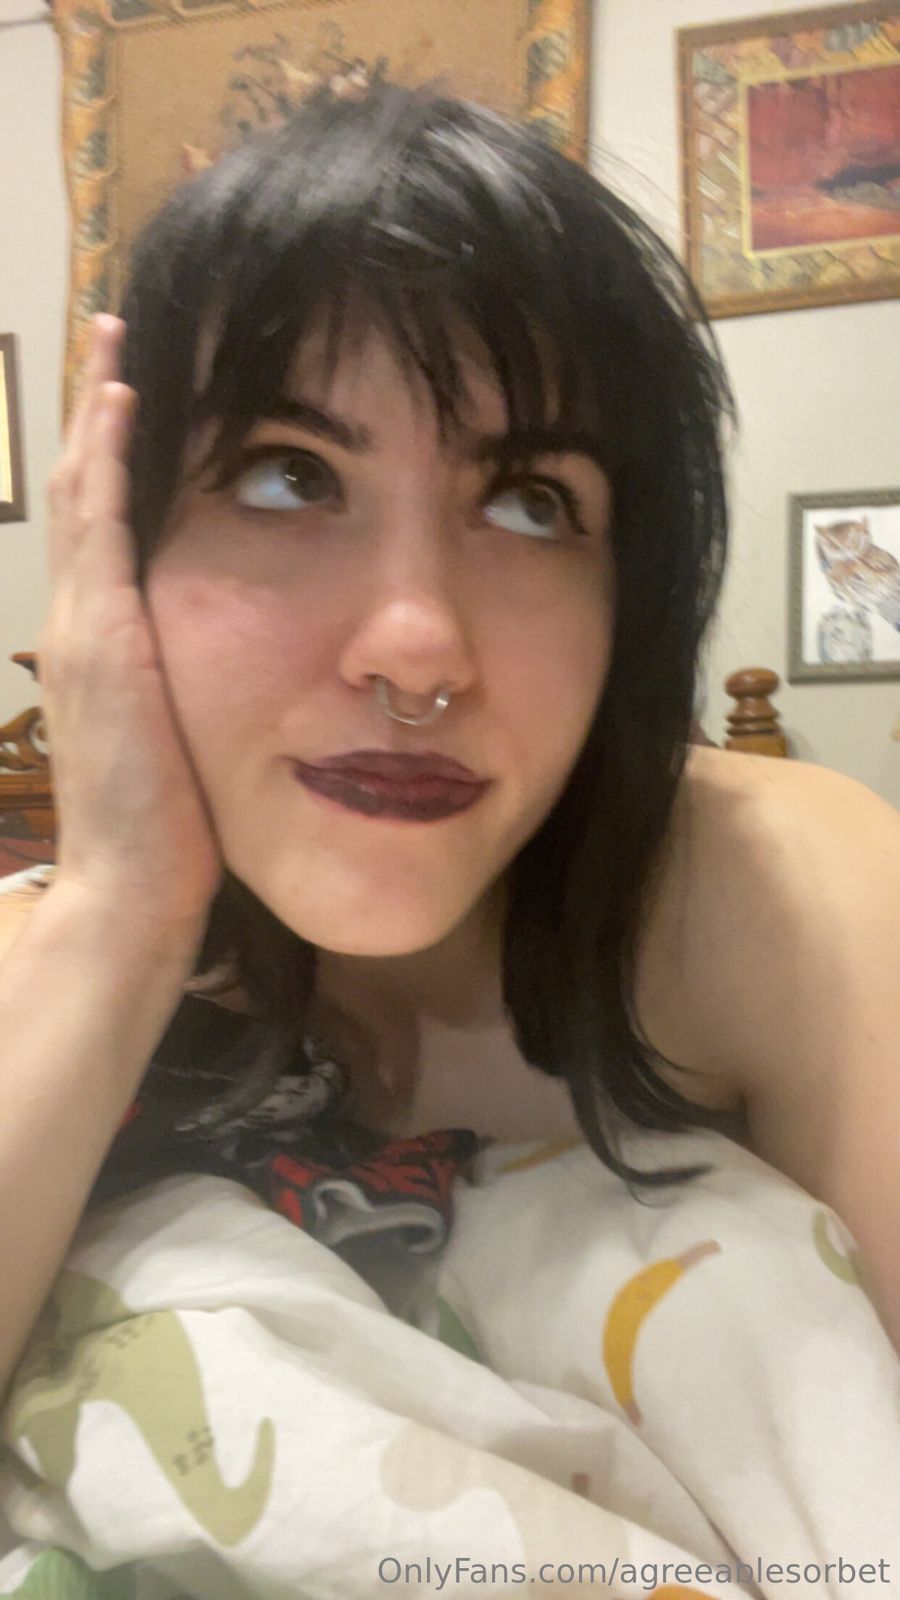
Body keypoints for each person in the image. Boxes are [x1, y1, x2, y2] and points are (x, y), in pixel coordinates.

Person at [0, 83, 898, 1391]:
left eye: (531, 501)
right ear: (118, 552)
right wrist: (120, 916)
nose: (416, 646)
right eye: (290, 475)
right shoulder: (37, 957)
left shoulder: (776, 891)